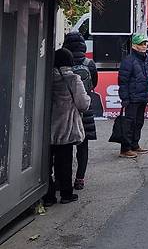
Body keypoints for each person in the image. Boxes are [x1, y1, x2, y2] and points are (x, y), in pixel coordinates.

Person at [43, 48, 90, 206]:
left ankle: (48, 196)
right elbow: (83, 104)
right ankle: (66, 194)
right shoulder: (73, 79)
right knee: (65, 163)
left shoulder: (46, 77)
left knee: (46, 164)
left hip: (46, 129)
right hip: (66, 128)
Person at [62, 32, 98, 190]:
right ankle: (80, 178)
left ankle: (63, 179)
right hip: (85, 110)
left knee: (65, 146)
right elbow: (94, 84)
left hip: (65, 110)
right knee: (83, 147)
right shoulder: (89, 63)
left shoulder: (62, 62)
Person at [118, 34, 148, 158]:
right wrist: (125, 98)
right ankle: (125, 148)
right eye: (141, 44)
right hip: (132, 98)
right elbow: (122, 81)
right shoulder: (128, 60)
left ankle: (134, 144)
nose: (144, 46)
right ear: (134, 46)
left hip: (142, 97)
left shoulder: (147, 60)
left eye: (145, 44)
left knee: (139, 122)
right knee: (129, 123)